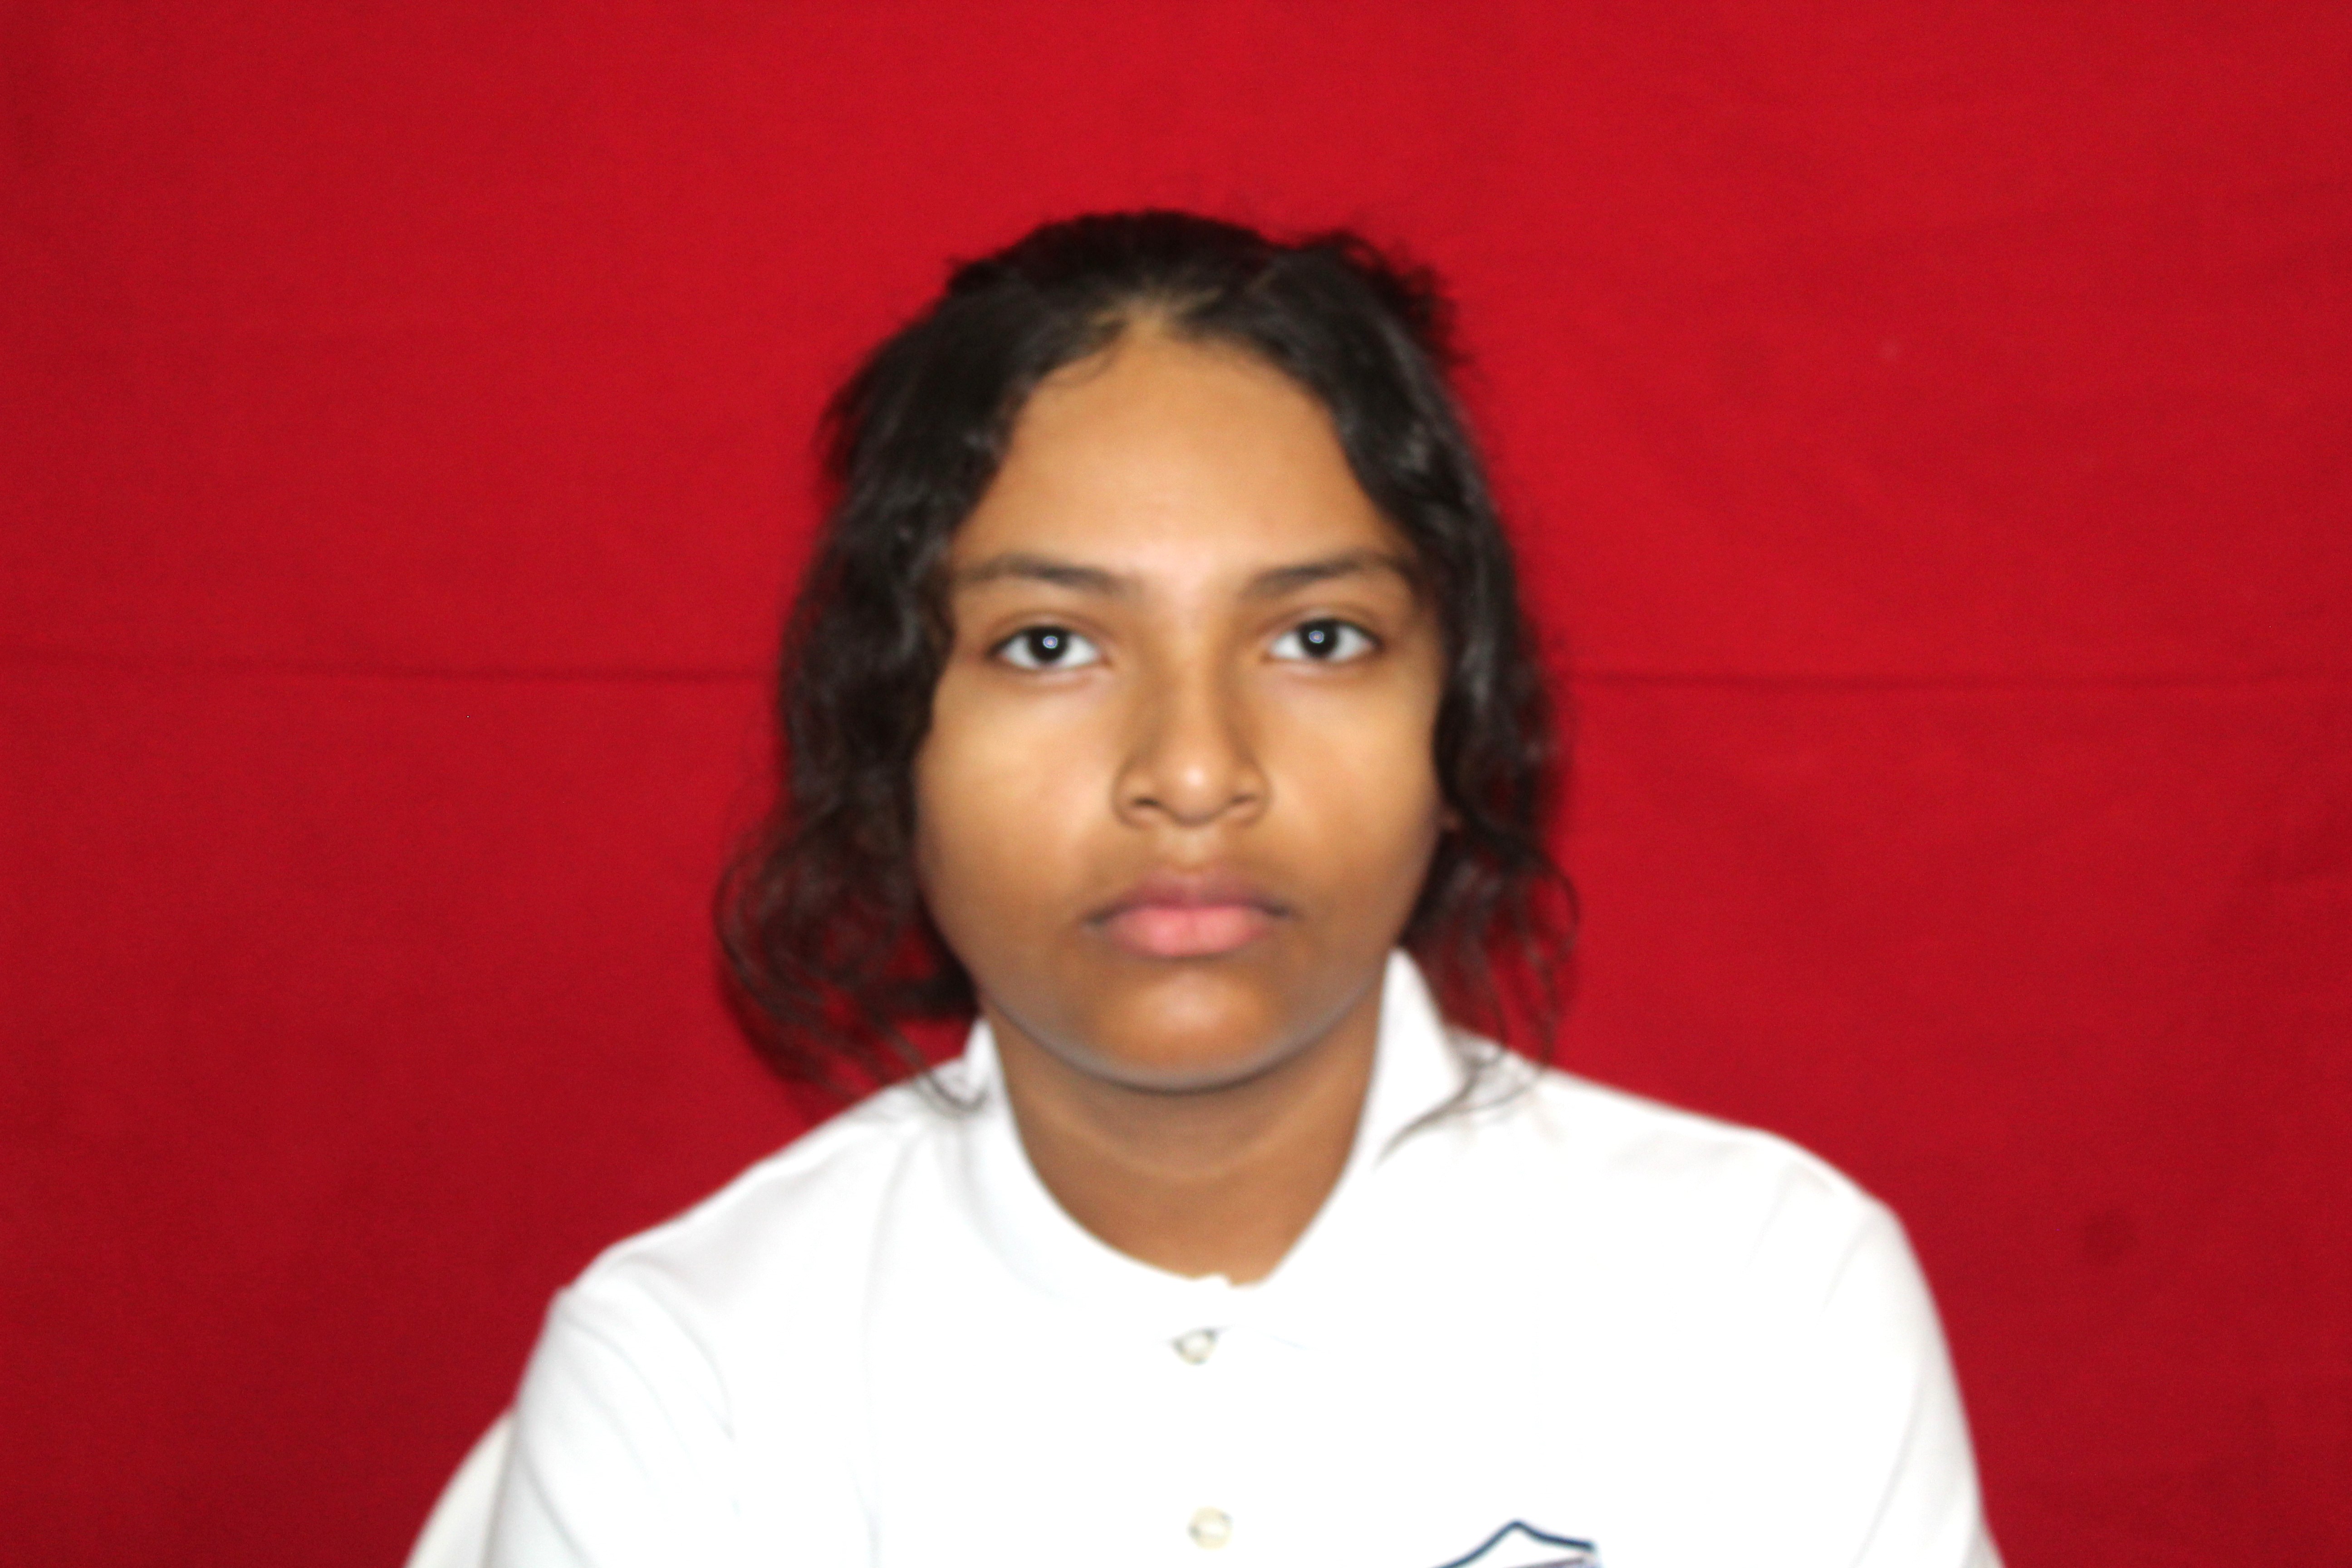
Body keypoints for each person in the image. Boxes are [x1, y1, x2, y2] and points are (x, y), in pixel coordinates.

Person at [477, 212, 2000, 1567]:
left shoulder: (1761, 1298)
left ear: (1460, 716)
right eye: (1050, 646)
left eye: (1318, 639)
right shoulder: (688, 1380)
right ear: (889, 738)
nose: (1196, 772)